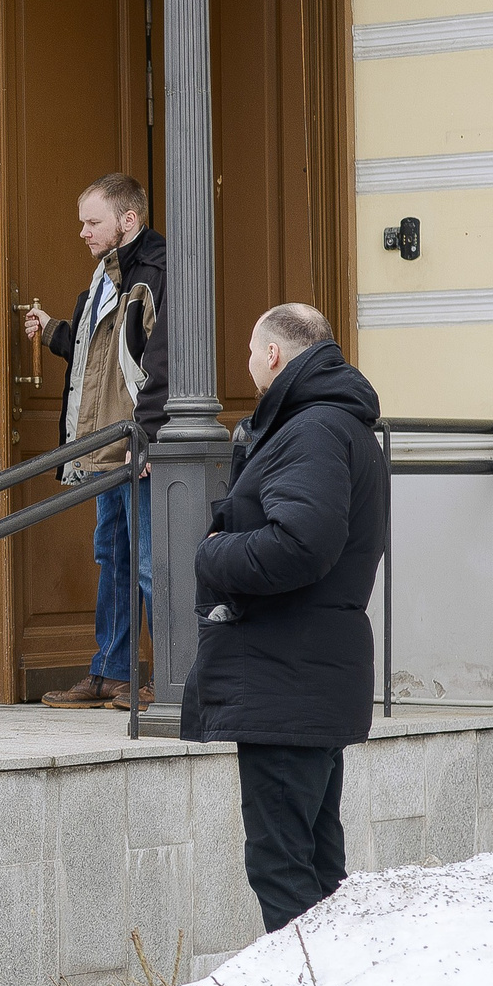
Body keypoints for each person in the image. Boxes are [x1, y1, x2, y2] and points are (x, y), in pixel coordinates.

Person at [182, 304, 389, 934]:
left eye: (250, 351)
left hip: (287, 678)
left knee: (282, 865)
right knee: (317, 866)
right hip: (305, 675)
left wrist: (212, 551)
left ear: (275, 354)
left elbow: (303, 542)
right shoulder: (332, 425)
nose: (247, 365)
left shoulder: (313, 429)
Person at [23, 172, 169, 712]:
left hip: (135, 449)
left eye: (92, 222)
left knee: (152, 564)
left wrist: (147, 437)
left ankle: (171, 678)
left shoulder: (155, 272)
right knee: (113, 554)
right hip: (105, 448)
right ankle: (111, 673)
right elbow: (100, 355)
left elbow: (164, 361)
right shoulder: (106, 275)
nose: (83, 232)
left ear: (127, 221)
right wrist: (56, 329)